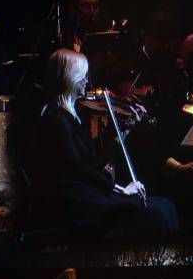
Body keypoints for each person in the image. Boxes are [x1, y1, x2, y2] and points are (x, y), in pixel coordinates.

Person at [35, 49, 178, 236]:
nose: (87, 81)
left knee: (166, 206)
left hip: (90, 191)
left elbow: (93, 162)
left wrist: (124, 131)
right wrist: (120, 190)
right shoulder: (54, 117)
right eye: (83, 76)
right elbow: (77, 167)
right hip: (76, 200)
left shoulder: (73, 115)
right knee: (156, 213)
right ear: (70, 78)